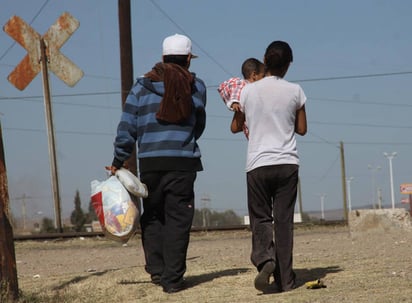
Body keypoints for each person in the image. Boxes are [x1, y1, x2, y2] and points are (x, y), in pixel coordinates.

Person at [108, 33, 207, 294]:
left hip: (150, 164)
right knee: (178, 219)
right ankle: (173, 280)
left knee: (152, 215)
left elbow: (127, 127)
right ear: (188, 59)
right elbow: (199, 125)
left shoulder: (141, 87)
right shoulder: (197, 87)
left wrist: (118, 160)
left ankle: (157, 271)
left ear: (162, 58)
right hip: (183, 165)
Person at [237, 40, 307, 293]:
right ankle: (286, 280)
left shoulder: (248, 91)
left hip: (257, 163)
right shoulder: (296, 90)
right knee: (284, 222)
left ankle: (266, 259)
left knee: (261, 218)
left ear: (265, 60)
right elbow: (302, 129)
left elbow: (238, 123)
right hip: (287, 163)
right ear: (288, 65)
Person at [217, 58, 265, 137]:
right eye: (263, 76)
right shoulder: (243, 85)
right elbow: (236, 91)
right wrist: (235, 102)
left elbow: (234, 128)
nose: (264, 79)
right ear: (254, 75)